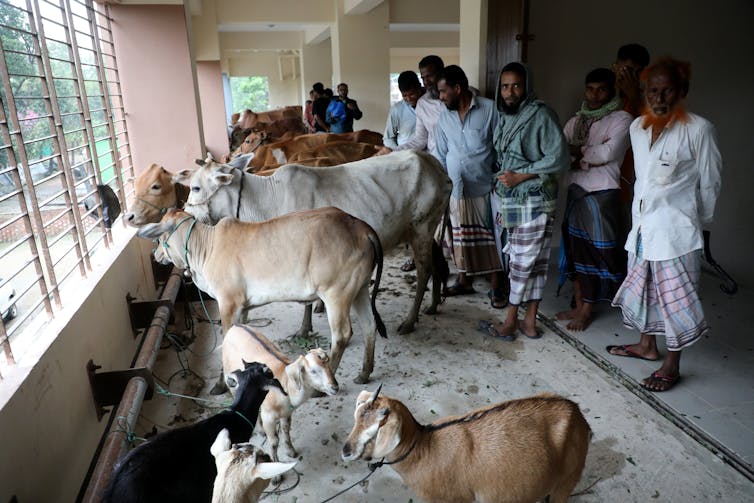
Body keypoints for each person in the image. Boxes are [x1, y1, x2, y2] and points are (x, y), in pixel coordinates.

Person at [608, 57, 722, 392]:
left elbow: (711, 183)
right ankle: (646, 345)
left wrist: (698, 225)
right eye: (652, 90)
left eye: (667, 90)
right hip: (643, 230)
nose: (659, 97)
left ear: (682, 91)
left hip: (677, 234)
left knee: (676, 301)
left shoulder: (699, 129)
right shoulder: (637, 127)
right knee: (646, 291)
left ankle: (671, 364)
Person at [483, 62, 569, 340]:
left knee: (522, 263)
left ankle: (510, 321)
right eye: (505, 86)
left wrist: (520, 177)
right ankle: (529, 322)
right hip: (511, 199)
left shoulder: (541, 114)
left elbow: (558, 157)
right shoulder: (505, 115)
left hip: (534, 198)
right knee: (535, 263)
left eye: (516, 85)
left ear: (526, 87)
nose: (510, 92)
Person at [556, 68, 632, 331]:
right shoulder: (576, 120)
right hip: (575, 190)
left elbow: (609, 152)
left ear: (612, 90)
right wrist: (581, 155)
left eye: (601, 89)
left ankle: (588, 309)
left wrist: (579, 154)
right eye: (590, 89)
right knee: (575, 251)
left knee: (600, 253)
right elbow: (560, 150)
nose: (594, 94)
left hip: (601, 194)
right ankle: (580, 304)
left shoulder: (622, 118)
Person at [433, 65, 505, 301]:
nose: (441, 98)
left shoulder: (490, 109)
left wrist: (500, 180)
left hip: (485, 186)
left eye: (444, 92)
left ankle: (497, 284)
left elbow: (501, 148)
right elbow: (441, 154)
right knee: (460, 237)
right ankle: (465, 281)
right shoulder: (444, 117)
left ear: (458, 88)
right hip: (456, 188)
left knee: (489, 238)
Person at [377, 55, 446, 157]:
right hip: (412, 156)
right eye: (405, 95)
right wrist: (395, 153)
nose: (409, 98)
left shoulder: (455, 98)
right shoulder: (421, 104)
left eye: (429, 76)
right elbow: (420, 139)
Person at [613, 43, 650, 206]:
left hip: (631, 177)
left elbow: (652, 128)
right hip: (601, 178)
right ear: (615, 67)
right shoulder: (602, 93)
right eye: (627, 70)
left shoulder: (648, 98)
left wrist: (633, 94)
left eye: (637, 72)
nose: (631, 77)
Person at [383, 70, 425, 149]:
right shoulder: (397, 109)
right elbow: (388, 138)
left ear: (419, 87)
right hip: (404, 155)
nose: (409, 99)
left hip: (428, 154)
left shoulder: (432, 104)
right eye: (404, 95)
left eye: (412, 94)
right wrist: (398, 153)